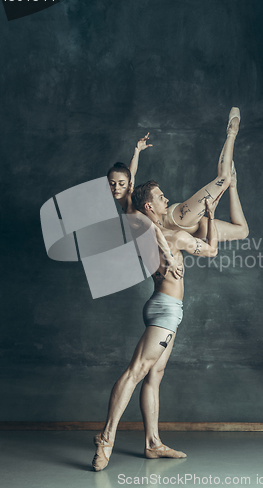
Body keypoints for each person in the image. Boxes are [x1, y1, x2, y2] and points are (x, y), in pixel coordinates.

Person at [92, 181, 220, 471]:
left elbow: (129, 205)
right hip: (166, 312)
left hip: (160, 306)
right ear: (149, 206)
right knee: (137, 370)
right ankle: (105, 436)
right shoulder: (173, 237)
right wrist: (210, 214)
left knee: (155, 374)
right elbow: (212, 250)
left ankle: (153, 443)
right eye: (162, 197)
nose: (168, 199)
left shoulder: (142, 236)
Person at [107, 107, 248, 248]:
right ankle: (233, 183)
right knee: (242, 231)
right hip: (191, 231)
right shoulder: (128, 208)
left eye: (120, 184)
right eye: (112, 184)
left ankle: (232, 132)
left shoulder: (129, 202)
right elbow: (129, 176)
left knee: (223, 179)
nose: (117, 188)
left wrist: (136, 151)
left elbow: (130, 175)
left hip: (179, 219)